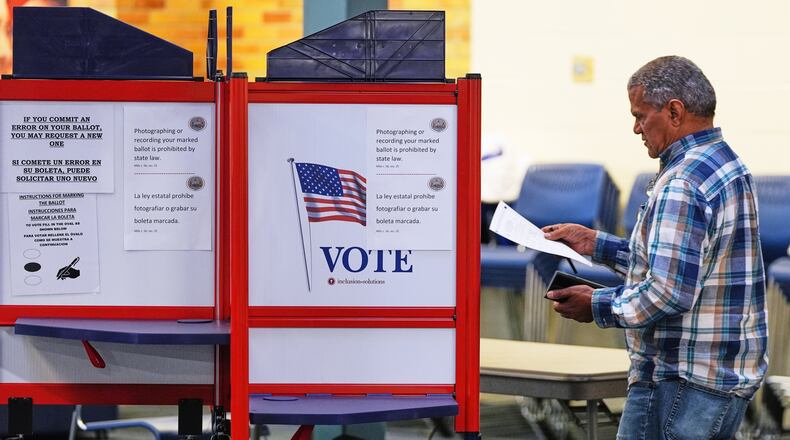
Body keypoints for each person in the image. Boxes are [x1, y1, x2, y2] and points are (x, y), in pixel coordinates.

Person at [542, 56, 768, 439]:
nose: (635, 128)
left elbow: (669, 291)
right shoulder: (725, 163)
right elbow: (685, 265)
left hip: (681, 379)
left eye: (640, 115)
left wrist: (595, 305)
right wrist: (596, 244)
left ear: (675, 112)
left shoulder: (682, 181)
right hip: (720, 377)